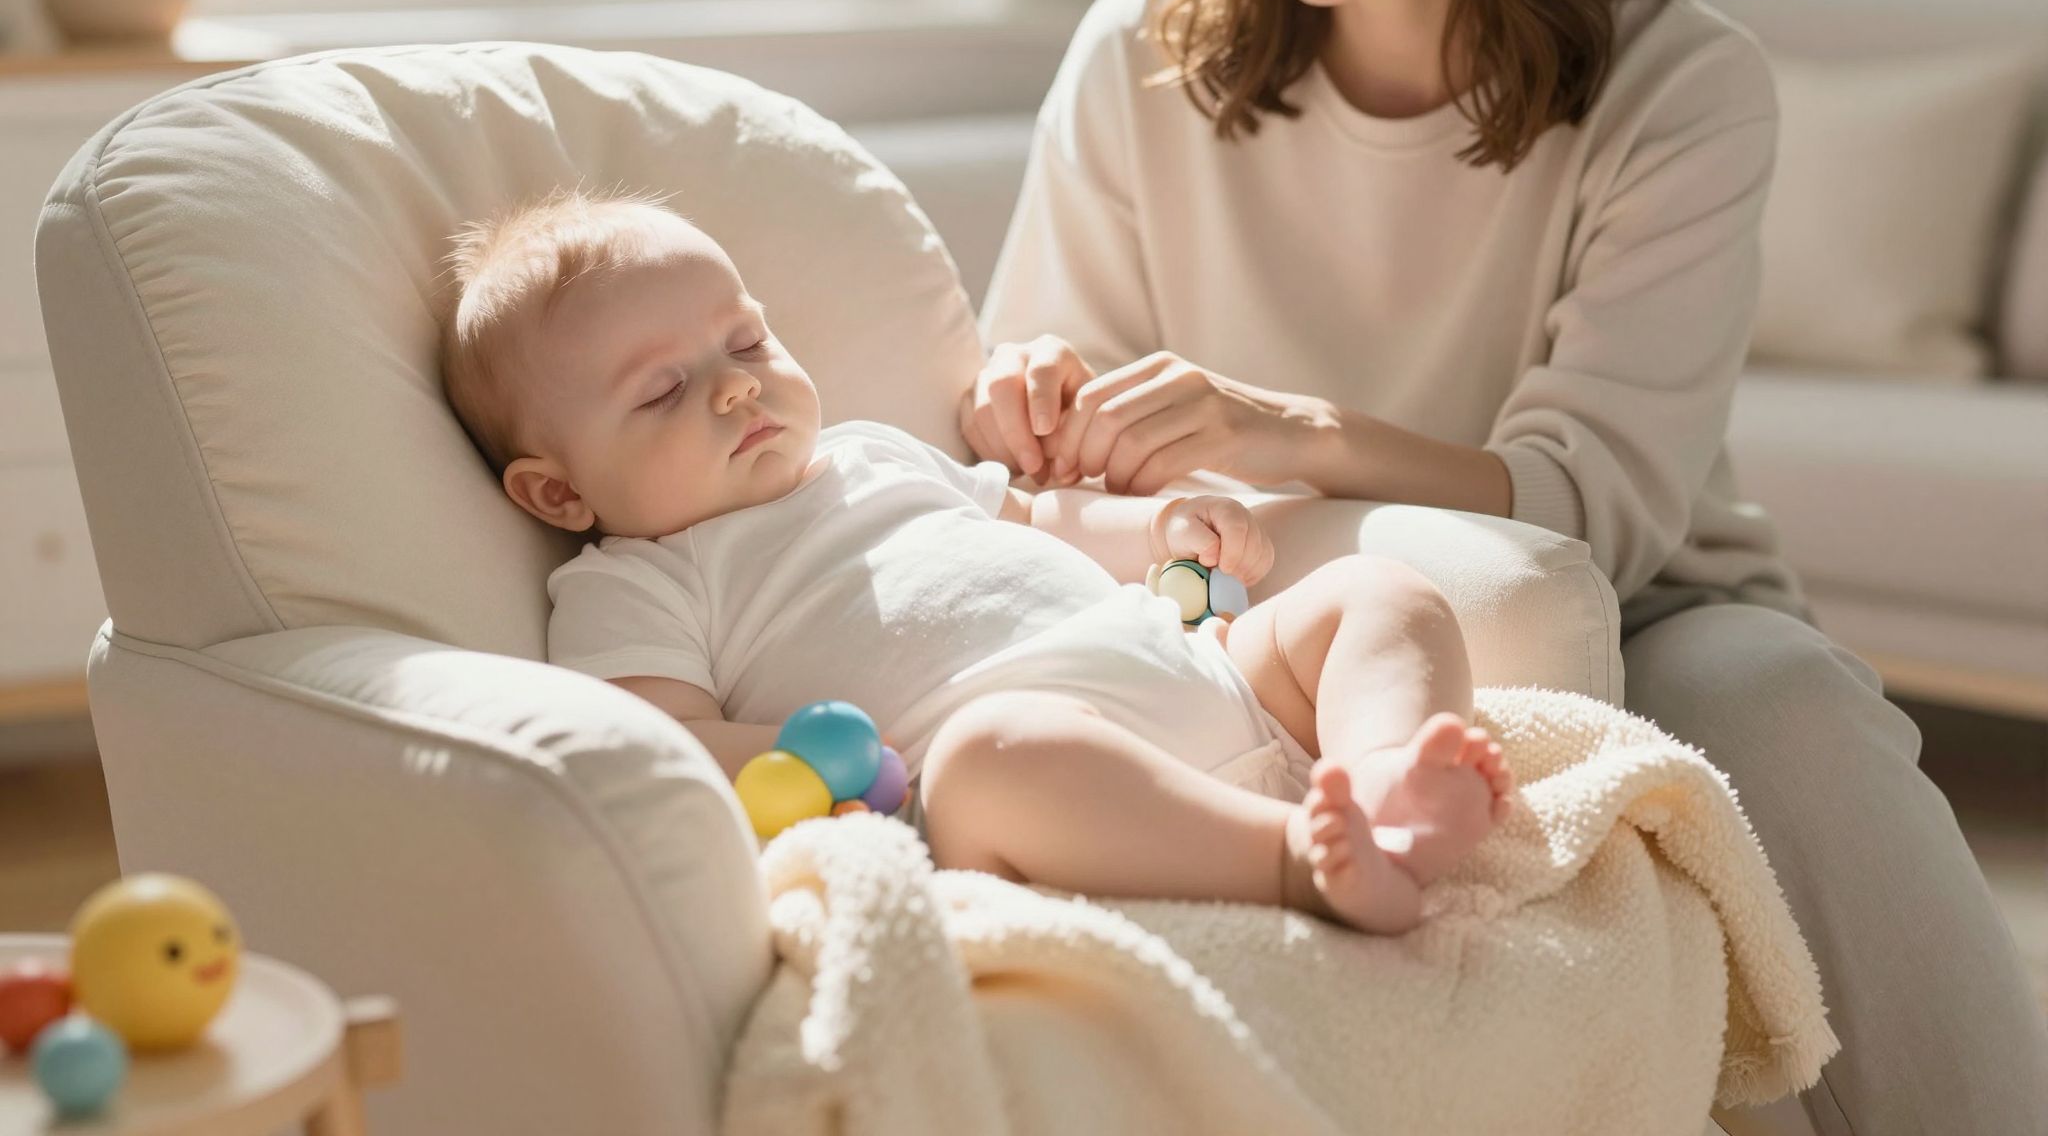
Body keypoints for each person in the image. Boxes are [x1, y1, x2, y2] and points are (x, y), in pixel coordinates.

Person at [967, 0, 2048, 1129]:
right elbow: (1037, 422)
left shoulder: (1677, 83)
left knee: (1788, 708)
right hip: (1250, 602)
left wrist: (1296, 430)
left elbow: (1587, 506)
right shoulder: (1133, 56)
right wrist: (1036, 400)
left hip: (1642, 594)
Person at [437, 191, 1515, 935]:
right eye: (662, 390)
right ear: (558, 493)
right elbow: (658, 740)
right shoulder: (637, 580)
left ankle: (1380, 779)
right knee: (995, 751)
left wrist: (1160, 532)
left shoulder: (870, 453)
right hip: (1041, 793)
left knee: (1373, 595)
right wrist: (821, 752)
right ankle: (1298, 861)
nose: (736, 389)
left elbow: (1039, 517)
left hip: (1210, 677)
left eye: (748, 345)